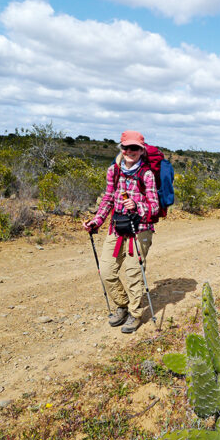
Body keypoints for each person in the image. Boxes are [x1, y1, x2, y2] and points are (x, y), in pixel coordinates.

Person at [83, 130, 159, 333]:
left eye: (135, 148)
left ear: (142, 150)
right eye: (126, 147)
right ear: (121, 148)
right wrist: (96, 222)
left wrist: (137, 206)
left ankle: (134, 314)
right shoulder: (113, 171)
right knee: (106, 271)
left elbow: (155, 207)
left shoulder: (147, 174)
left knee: (134, 273)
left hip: (140, 229)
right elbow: (108, 199)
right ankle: (122, 305)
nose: (130, 151)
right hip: (117, 227)